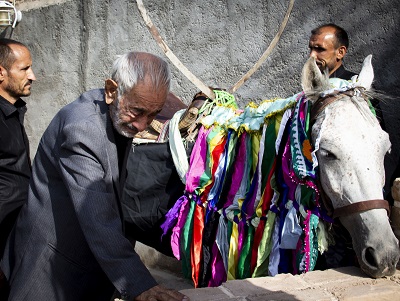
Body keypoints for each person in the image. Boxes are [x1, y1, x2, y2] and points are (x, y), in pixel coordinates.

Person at [1, 51, 189, 301]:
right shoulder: (83, 130)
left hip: (84, 264)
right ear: (111, 90)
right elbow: (98, 215)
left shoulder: (111, 111)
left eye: (153, 115)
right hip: (51, 267)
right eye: (137, 111)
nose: (143, 125)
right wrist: (140, 285)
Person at [0, 38, 35, 297]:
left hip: (16, 233)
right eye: (24, 69)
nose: (32, 76)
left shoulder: (13, 113)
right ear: (1, 72)